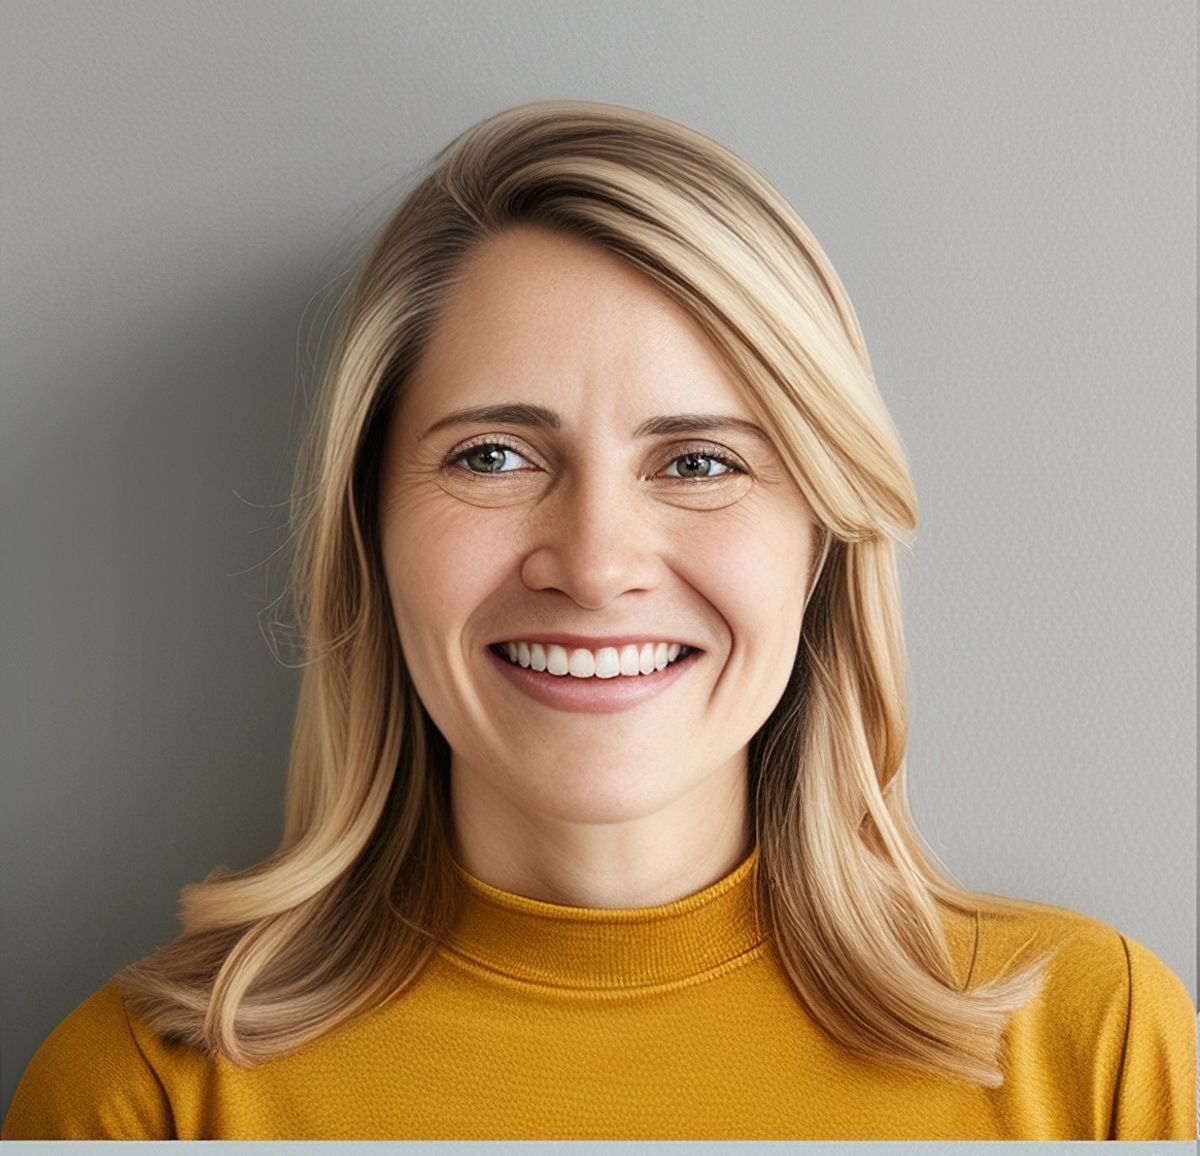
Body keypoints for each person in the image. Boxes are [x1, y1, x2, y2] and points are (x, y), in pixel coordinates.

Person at [3, 99, 1194, 1141]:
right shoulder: (148, 1101)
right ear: (368, 535)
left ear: (823, 538)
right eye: (495, 453)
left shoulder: (1099, 1057)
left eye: (698, 462)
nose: (596, 562)